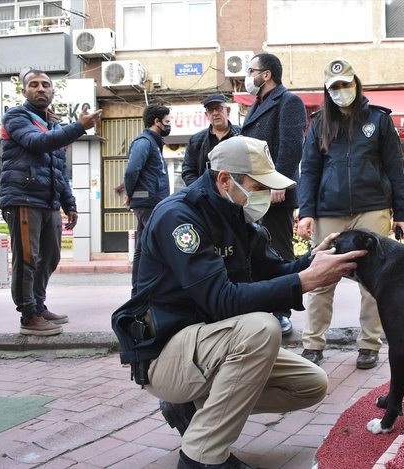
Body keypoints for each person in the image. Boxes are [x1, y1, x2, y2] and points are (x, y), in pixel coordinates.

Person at [116, 135, 365, 469]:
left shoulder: (237, 217)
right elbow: (222, 301)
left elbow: (273, 272)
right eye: (258, 186)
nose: (265, 195)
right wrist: (304, 282)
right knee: (261, 329)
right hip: (166, 354)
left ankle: (192, 409)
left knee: (309, 384)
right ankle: (201, 457)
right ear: (224, 179)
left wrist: (312, 262)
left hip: (210, 345)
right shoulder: (179, 217)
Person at [296, 58, 404, 369]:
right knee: (321, 280)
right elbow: (308, 170)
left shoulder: (379, 120)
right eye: (333, 86)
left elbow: (394, 168)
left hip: (373, 208)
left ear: (356, 83)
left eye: (345, 84)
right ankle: (313, 344)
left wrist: (402, 212)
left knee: (373, 283)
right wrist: (306, 212)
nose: (340, 91)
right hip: (328, 211)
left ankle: (369, 344)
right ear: (326, 90)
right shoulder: (319, 123)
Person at [0, 69, 102, 336]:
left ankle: (39, 305)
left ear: (53, 91)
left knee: (52, 255)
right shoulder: (16, 117)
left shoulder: (54, 124)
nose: (40, 88)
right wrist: (79, 127)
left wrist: (69, 203)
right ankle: (28, 315)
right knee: (27, 257)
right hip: (22, 197)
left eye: (46, 85)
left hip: (48, 201)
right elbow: (36, 143)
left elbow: (58, 169)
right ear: (24, 92)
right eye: (34, 85)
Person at [240, 53, 307, 337]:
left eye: (251, 70)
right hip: (252, 192)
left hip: (274, 193)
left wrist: (279, 184)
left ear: (266, 74)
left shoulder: (288, 101)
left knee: (279, 250)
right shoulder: (257, 104)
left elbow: (292, 146)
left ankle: (282, 311)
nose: (248, 76)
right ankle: (260, 307)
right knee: (254, 251)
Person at [123, 104, 171, 296]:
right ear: (156, 122)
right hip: (147, 202)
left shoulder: (153, 143)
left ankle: (139, 291)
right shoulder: (144, 142)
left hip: (152, 202)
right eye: (167, 121)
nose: (169, 125)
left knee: (143, 248)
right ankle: (147, 291)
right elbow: (132, 170)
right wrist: (129, 192)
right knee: (159, 244)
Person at [181, 93, 241, 186]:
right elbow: (188, 171)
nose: (215, 113)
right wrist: (200, 191)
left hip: (237, 194)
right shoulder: (196, 141)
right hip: (207, 196)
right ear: (206, 115)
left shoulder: (242, 135)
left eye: (219, 108)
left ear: (228, 111)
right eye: (210, 110)